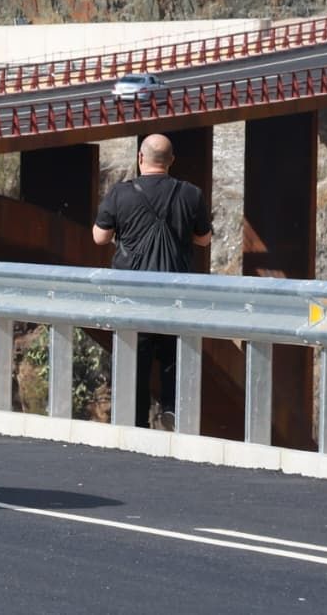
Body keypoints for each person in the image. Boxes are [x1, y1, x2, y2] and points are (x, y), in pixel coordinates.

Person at [92, 133, 212, 431]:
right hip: (175, 292)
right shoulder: (190, 193)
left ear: (140, 158)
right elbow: (204, 239)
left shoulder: (121, 194)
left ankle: (136, 421)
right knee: (173, 354)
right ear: (171, 161)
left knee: (136, 356)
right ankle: (172, 409)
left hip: (132, 293)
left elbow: (99, 237)